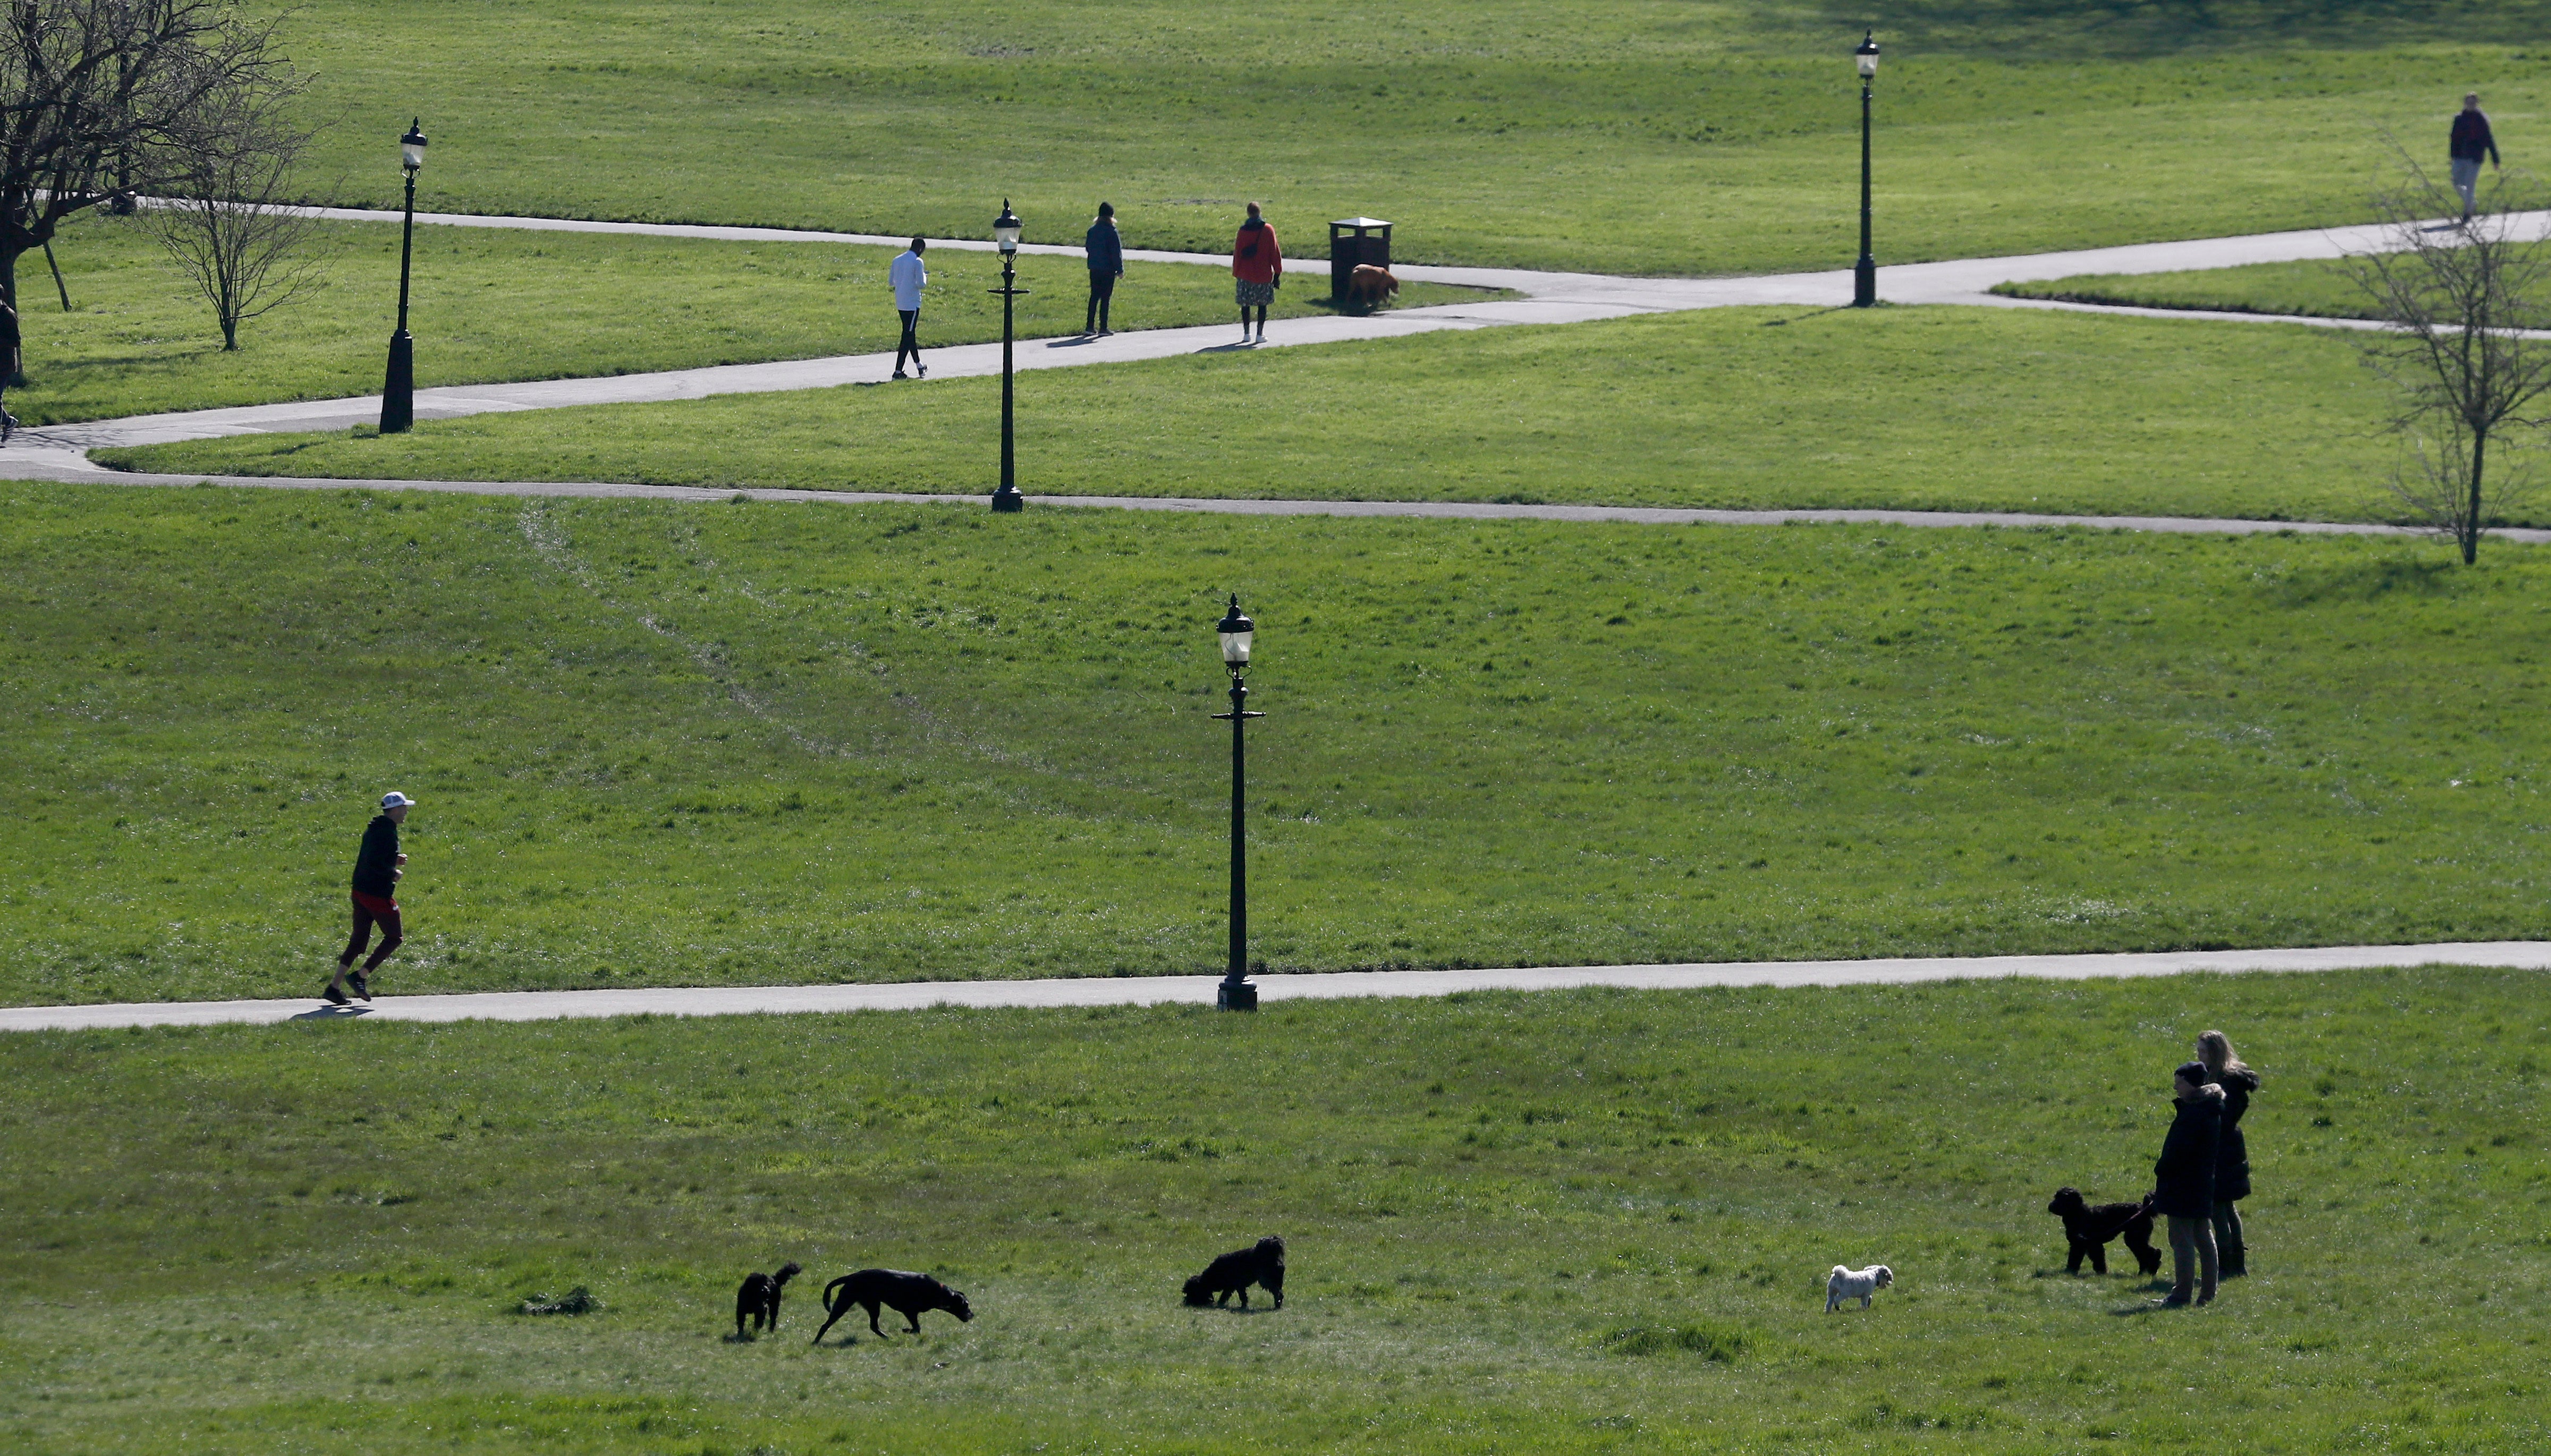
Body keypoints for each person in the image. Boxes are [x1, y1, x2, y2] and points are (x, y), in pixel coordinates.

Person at [2149, 1060, 2225, 1307]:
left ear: (2191, 1084)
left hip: (2183, 1186)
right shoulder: (2210, 1109)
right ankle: (2208, 1294)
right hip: (2202, 1184)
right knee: (2204, 1237)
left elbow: (2178, 1153)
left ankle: (2181, 1295)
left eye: (2179, 1083)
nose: (2176, 1088)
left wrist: (2161, 1169)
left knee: (2182, 1241)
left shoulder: (2193, 1114)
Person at [327, 791, 414, 1005]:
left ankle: (334, 988)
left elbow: (372, 856)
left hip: (360, 891)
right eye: (404, 808)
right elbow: (375, 864)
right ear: (394, 810)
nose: (406, 812)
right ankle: (360, 976)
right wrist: (393, 873)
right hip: (376, 893)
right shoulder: (386, 833)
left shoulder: (376, 828)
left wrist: (393, 859)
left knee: (358, 942)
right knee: (394, 937)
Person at [2197, 1029, 2261, 1278]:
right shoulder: (2227, 1080)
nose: (2199, 1055)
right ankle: (2237, 1265)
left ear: (2214, 1051)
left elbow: (2219, 1119)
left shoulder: (2225, 1084)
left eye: (2203, 1050)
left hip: (2219, 1150)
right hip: (2229, 1148)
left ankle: (2227, 1266)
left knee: (2218, 1208)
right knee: (2227, 1207)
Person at [1231, 202, 1282, 344]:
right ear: (1260, 212)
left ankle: (1246, 334)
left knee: (1245, 304)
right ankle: (1260, 334)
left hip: (1245, 274)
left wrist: (1237, 272)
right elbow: (1275, 253)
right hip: (1263, 274)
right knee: (1262, 305)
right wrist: (1277, 274)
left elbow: (1238, 254)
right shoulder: (1268, 230)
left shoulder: (1242, 231)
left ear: (1248, 213)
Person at [2451, 93, 2500, 222]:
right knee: (2456, 183)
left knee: (2470, 184)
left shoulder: (2481, 120)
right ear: (2464, 103)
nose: (2470, 105)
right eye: (2468, 102)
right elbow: (2454, 138)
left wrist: (2495, 159)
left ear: (2477, 104)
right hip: (2459, 157)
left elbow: (2489, 140)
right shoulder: (2459, 119)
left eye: (2473, 103)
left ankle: (2467, 213)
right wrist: (2453, 156)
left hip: (2475, 158)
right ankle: (2471, 202)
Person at [890, 236, 928, 379]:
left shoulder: (897, 259)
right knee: (907, 336)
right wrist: (925, 276)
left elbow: (891, 281)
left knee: (909, 335)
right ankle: (898, 371)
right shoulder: (918, 262)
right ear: (920, 249)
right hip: (912, 304)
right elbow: (921, 284)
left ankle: (919, 366)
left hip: (900, 302)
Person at [1085, 202, 1124, 336]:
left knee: (1094, 296)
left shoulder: (1092, 230)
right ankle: (1103, 327)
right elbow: (1115, 253)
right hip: (1108, 269)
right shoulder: (1112, 232)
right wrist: (1120, 270)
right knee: (1106, 297)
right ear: (1111, 217)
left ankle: (1089, 326)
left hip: (1094, 268)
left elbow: (1088, 248)